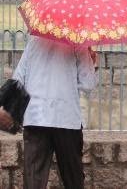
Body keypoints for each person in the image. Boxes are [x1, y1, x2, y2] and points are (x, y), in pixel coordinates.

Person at [13, 35, 97, 189]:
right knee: (73, 179)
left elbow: (18, 79)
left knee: (33, 180)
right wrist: (91, 62)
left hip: (35, 117)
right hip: (66, 118)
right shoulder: (78, 43)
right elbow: (88, 84)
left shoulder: (34, 42)